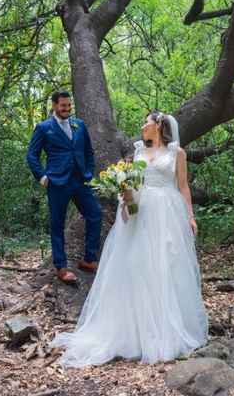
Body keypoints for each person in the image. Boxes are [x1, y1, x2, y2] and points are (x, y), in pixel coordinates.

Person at [51, 111, 208, 367]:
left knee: (165, 266)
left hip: (167, 213)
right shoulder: (138, 152)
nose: (142, 125)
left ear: (158, 125)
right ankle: (134, 332)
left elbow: (183, 187)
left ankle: (165, 331)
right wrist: (125, 196)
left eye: (146, 122)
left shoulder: (177, 153)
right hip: (141, 213)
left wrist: (190, 216)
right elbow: (133, 184)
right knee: (137, 266)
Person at [26, 91, 102, 283]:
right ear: (54, 105)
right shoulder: (44, 128)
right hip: (57, 182)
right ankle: (61, 267)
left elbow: (88, 152)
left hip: (80, 180)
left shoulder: (80, 125)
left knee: (95, 214)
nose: (67, 109)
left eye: (69, 105)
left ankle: (89, 259)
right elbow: (32, 155)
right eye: (63, 106)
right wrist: (42, 177)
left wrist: (89, 172)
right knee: (57, 224)